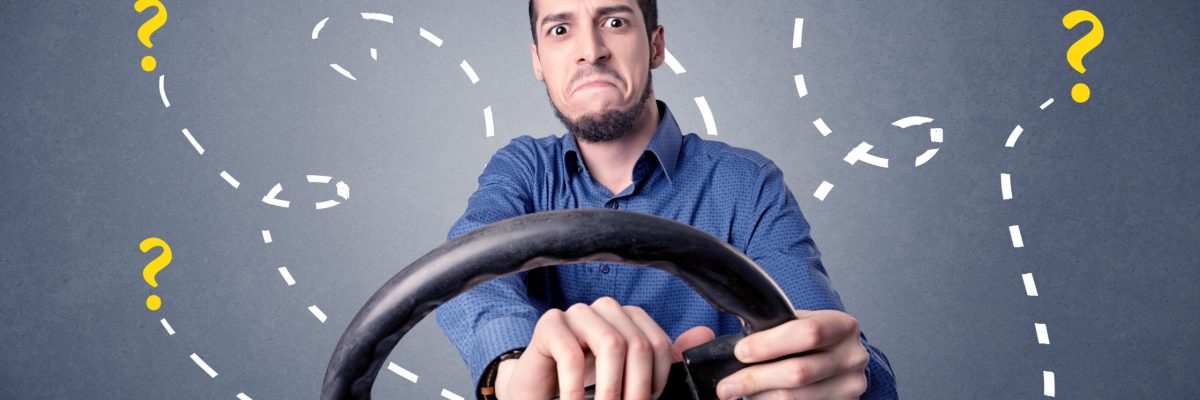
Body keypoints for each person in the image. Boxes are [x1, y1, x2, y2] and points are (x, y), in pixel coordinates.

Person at [435, 0, 897, 398]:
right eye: (560, 30)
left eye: (615, 22)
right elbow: (468, 269)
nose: (590, 50)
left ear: (656, 46)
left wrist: (836, 373)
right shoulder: (522, 169)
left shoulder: (746, 183)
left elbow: (817, 332)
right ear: (538, 61)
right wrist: (513, 371)